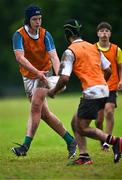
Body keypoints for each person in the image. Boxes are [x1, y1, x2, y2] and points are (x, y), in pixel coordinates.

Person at [47, 19, 122, 165]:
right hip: (104, 89)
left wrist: (53, 91)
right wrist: (101, 84)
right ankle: (84, 156)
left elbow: (63, 79)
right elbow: (108, 70)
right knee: (75, 122)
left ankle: (116, 141)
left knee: (82, 127)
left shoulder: (70, 52)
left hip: (93, 91)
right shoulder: (93, 47)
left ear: (67, 34)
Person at [11, 5, 77, 159]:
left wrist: (60, 76)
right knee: (44, 114)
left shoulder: (45, 34)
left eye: (40, 18)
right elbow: (20, 58)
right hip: (29, 76)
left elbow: (54, 56)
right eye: (35, 19)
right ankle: (71, 141)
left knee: (35, 107)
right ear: (28, 20)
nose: (38, 22)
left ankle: (25, 146)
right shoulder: (18, 35)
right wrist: (36, 73)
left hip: (45, 73)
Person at [94, 22, 122, 151]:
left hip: (111, 86)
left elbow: (120, 68)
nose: (104, 33)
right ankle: (103, 138)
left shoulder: (116, 49)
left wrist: (121, 80)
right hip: (98, 87)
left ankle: (107, 141)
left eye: (106, 31)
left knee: (109, 111)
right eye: (102, 31)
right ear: (98, 33)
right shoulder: (93, 49)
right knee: (98, 120)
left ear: (110, 34)